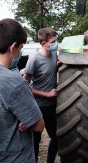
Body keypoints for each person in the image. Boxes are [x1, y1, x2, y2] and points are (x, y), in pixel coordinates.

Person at [0, 18, 44, 162]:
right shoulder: (15, 81)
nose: (19, 52)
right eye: (20, 48)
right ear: (13, 47)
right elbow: (39, 125)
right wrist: (26, 117)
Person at [23, 27, 59, 163]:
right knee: (35, 140)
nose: (56, 44)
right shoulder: (35, 60)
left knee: (56, 138)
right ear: (43, 44)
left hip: (52, 106)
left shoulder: (54, 53)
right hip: (38, 106)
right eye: (53, 42)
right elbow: (25, 86)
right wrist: (46, 94)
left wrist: (58, 64)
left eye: (56, 41)